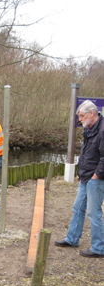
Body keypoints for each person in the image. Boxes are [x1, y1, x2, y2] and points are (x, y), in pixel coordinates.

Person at [55, 100, 104, 258]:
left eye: (82, 116)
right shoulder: (88, 129)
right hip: (86, 176)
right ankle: (72, 239)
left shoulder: (102, 130)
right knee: (77, 208)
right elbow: (86, 153)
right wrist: (81, 172)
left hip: (96, 178)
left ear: (91, 114)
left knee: (93, 212)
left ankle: (99, 248)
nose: (80, 119)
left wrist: (96, 176)